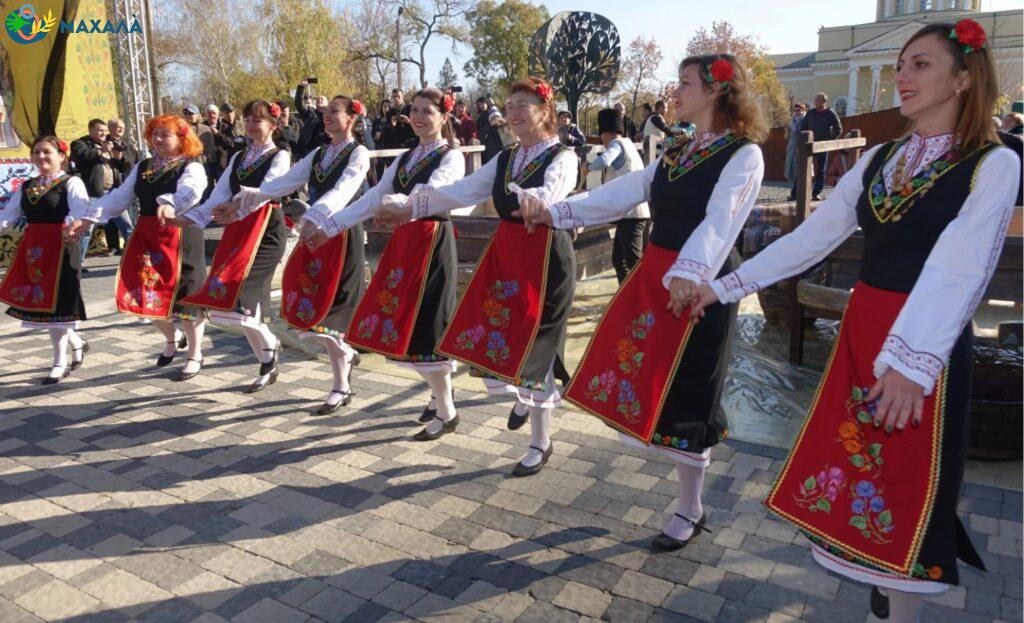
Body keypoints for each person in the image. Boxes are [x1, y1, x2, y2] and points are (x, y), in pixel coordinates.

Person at [689, 20, 1018, 623]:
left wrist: (913, 366)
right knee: (859, 468)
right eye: (900, 64)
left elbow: (960, 267)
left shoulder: (991, 164)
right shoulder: (881, 158)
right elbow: (813, 236)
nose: (903, 75)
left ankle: (898, 608)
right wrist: (727, 285)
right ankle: (882, 596)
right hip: (865, 328)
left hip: (926, 340)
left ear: (964, 78)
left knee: (908, 486)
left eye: (921, 64)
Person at [517, 54, 765, 549]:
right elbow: (622, 193)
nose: (676, 92)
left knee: (694, 389)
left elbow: (721, 221)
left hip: (702, 283)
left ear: (716, 91)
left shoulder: (744, 154)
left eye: (685, 83)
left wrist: (690, 273)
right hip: (659, 273)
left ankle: (690, 508)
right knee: (643, 373)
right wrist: (555, 211)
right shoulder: (677, 151)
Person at [379, 78, 579, 476]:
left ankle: (541, 440)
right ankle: (521, 397)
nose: (513, 111)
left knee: (537, 344)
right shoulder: (505, 158)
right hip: (507, 254)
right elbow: (462, 191)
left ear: (544, 110)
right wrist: (414, 205)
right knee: (494, 334)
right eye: (510, 104)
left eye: (523, 104)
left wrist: (538, 200)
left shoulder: (563, 156)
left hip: (545, 257)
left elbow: (555, 191)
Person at [329, 88, 466, 438]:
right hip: (405, 244)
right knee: (398, 323)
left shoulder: (451, 156)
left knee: (429, 324)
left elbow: (434, 191)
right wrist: (332, 224)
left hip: (433, 241)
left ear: (444, 117)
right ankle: (441, 399)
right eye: (414, 111)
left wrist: (398, 203)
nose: (418, 118)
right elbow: (373, 197)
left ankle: (446, 410)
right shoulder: (405, 157)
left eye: (427, 112)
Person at [236, 95, 370, 414]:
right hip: (316, 235)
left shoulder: (358, 152)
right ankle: (345, 360)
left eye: (334, 112)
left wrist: (315, 216)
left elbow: (346, 189)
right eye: (325, 111)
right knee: (313, 311)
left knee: (333, 315)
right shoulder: (320, 153)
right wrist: (249, 197)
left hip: (342, 232)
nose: (326, 116)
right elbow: (287, 182)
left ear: (352, 118)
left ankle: (341, 385)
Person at [71, 115, 209, 381]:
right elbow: (120, 196)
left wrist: (170, 203)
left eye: (164, 135)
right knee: (142, 294)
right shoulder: (144, 166)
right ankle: (172, 338)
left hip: (180, 234)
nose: (157, 139)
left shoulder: (191, 166)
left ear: (181, 138)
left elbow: (191, 191)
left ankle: (195, 354)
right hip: (147, 236)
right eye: (154, 133)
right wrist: (88, 217)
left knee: (187, 299)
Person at [170, 100, 292, 393]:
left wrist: (234, 204)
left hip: (266, 231)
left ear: (273, 125)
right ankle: (267, 357)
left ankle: (270, 348)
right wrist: (193, 218)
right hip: (238, 231)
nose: (251, 125)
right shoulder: (239, 157)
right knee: (229, 304)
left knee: (245, 298)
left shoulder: (280, 155)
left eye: (258, 120)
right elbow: (220, 192)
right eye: (248, 119)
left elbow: (268, 190)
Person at [0, 137, 92, 383]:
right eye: (37, 152)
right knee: (43, 306)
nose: (41, 157)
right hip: (34, 251)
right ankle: (77, 343)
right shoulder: (27, 185)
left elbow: (79, 211)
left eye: (47, 152)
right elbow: (9, 215)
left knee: (59, 307)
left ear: (61, 156)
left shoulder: (71, 183)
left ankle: (59, 362)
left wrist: (72, 223)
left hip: (62, 247)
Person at [587, 108, 652, 283]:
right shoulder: (629, 144)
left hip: (632, 214)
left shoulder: (616, 144)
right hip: (635, 212)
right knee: (619, 260)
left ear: (606, 133)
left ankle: (642, 299)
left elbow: (605, 160)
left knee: (633, 262)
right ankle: (627, 297)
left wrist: (588, 166)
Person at [69, 118, 111, 271]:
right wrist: (101, 151)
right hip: (90, 193)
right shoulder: (79, 144)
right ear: (91, 130)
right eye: (100, 130)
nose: (104, 133)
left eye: (105, 131)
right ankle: (76, 263)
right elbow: (82, 156)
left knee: (128, 226)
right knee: (85, 230)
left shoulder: (107, 144)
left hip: (111, 192)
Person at [103, 118, 137, 255]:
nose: (121, 130)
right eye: (118, 127)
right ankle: (113, 246)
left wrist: (122, 158)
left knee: (130, 214)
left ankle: (130, 244)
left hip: (127, 183)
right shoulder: (104, 144)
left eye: (123, 127)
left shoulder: (127, 145)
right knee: (110, 218)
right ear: (110, 128)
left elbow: (134, 162)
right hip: (110, 184)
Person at [800, 92, 842, 200]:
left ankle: (816, 192)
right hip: (810, 145)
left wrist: (829, 142)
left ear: (824, 101)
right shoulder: (810, 113)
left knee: (821, 170)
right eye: (815, 100)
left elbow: (838, 129)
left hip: (823, 146)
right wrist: (803, 140)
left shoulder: (830, 113)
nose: (816, 102)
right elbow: (803, 127)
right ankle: (801, 192)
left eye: (819, 100)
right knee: (806, 168)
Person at [182, 104, 218, 200]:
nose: (188, 115)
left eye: (191, 113)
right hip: (187, 164)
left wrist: (207, 161)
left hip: (204, 164)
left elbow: (210, 149)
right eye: (186, 113)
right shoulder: (181, 130)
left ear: (197, 115)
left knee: (207, 189)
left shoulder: (205, 128)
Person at [785, 102, 808, 200]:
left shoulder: (805, 121)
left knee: (798, 171)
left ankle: (796, 194)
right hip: (791, 148)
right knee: (791, 171)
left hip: (800, 148)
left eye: (799, 110)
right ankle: (794, 193)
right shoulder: (792, 121)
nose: (796, 112)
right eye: (795, 110)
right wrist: (787, 131)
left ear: (803, 111)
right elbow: (786, 137)